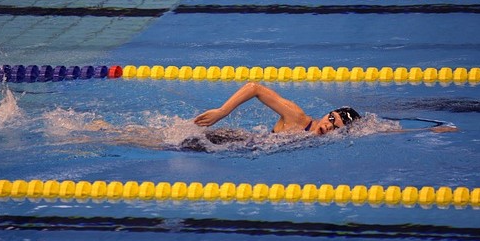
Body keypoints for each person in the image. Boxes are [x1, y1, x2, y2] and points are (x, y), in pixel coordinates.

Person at [194, 82, 457, 135]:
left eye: (335, 126)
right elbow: (255, 87)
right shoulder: (297, 118)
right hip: (225, 141)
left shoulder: (323, 137)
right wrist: (222, 111)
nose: (329, 124)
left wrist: (427, 131)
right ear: (326, 113)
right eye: (331, 118)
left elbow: (383, 130)